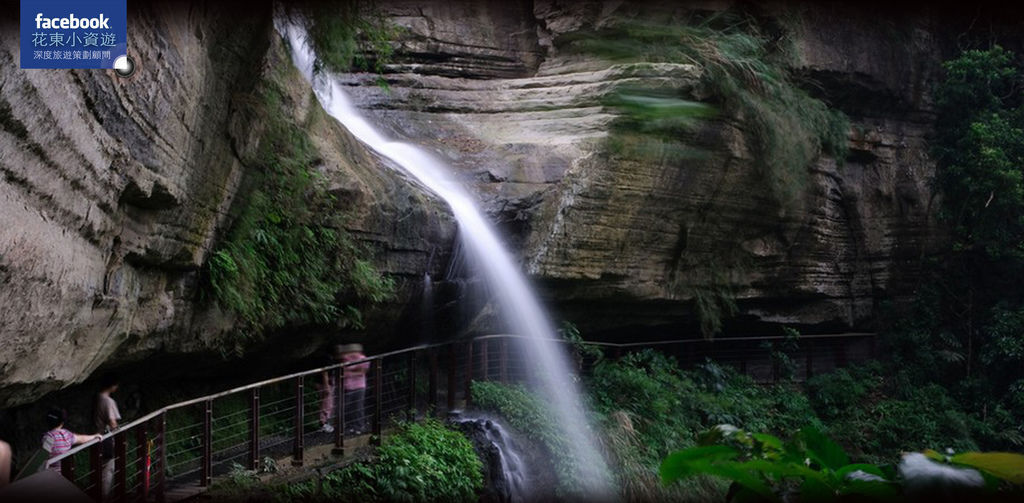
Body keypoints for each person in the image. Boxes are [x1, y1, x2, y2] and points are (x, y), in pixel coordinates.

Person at [94, 373, 121, 498]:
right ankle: (103, 497)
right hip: (106, 439)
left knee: (98, 469)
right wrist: (118, 433)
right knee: (107, 469)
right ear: (113, 385)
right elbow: (112, 421)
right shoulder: (108, 401)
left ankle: (98, 495)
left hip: (95, 437)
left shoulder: (97, 397)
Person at [339, 344, 370, 434]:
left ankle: (359, 426)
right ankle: (350, 426)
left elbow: (362, 371)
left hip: (359, 386)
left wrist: (348, 373)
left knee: (358, 407)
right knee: (348, 407)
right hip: (347, 386)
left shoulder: (362, 359)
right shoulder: (345, 358)